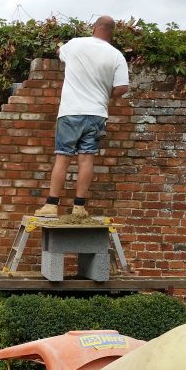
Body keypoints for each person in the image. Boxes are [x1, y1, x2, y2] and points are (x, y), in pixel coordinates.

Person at [36, 15, 129, 218]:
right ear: (111, 33)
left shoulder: (76, 44)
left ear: (94, 28)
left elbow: (60, 52)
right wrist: (106, 95)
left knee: (63, 157)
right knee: (86, 158)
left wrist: (61, 46)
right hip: (96, 114)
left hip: (71, 112)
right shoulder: (116, 56)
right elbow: (122, 87)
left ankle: (52, 205)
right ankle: (79, 207)